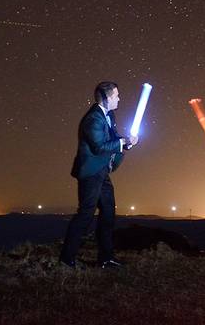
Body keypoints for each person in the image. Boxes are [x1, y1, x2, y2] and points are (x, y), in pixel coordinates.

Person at [60, 81, 138, 269]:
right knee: (85, 215)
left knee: (108, 213)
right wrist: (122, 142)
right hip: (90, 172)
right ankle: (66, 259)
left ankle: (106, 258)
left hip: (102, 171)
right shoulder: (93, 119)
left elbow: (112, 140)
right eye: (116, 95)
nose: (119, 98)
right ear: (107, 98)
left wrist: (127, 144)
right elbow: (99, 147)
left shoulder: (109, 115)